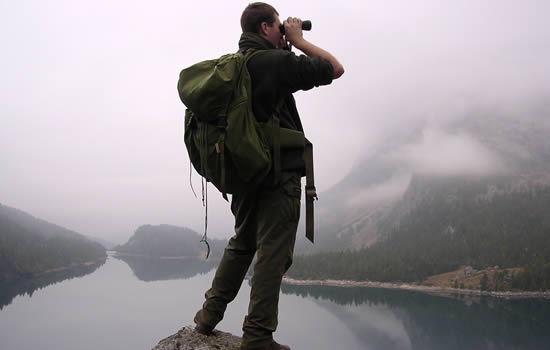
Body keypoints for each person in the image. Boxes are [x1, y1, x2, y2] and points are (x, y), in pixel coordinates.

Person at [193, 3, 344, 350]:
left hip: (247, 175)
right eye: (280, 26)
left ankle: (207, 317)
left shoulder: (238, 66)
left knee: (242, 244)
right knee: (273, 254)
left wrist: (285, 44)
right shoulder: (274, 63)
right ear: (265, 28)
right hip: (279, 177)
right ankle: (258, 336)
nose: (284, 31)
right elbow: (334, 68)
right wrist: (299, 40)